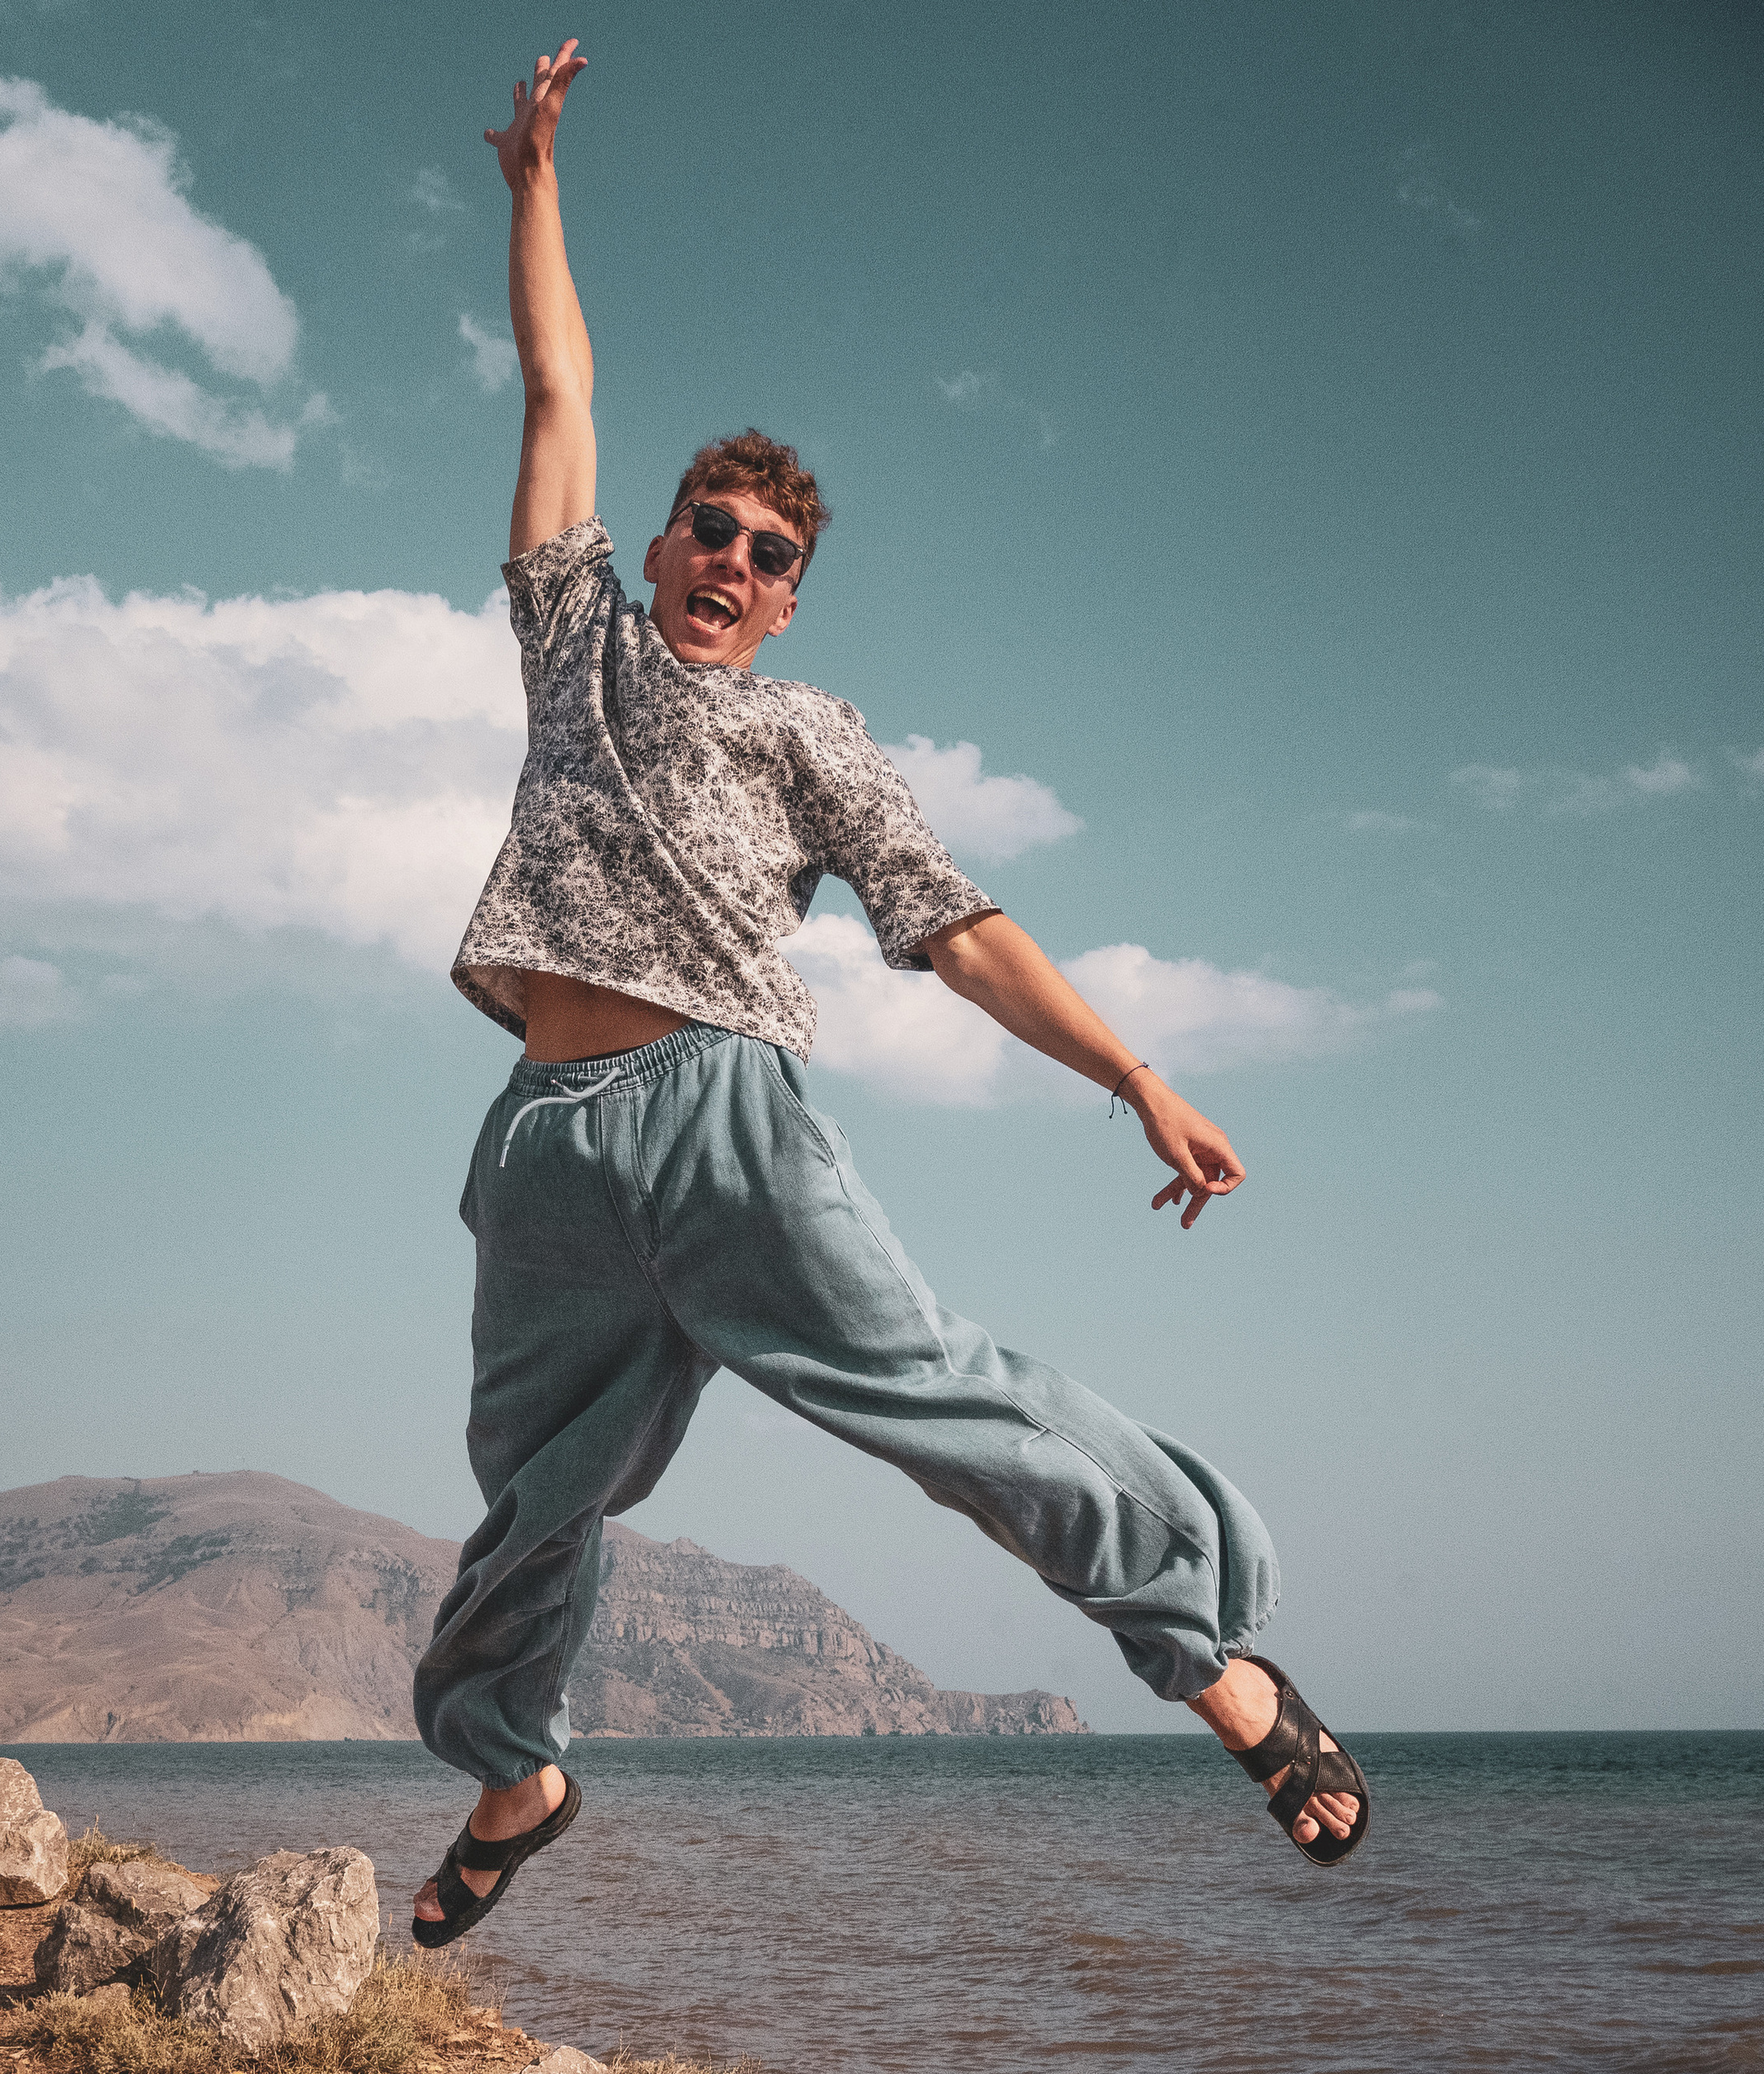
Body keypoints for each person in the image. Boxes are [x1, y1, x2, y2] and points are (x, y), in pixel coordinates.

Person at [412, 40, 1367, 1947]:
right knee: (532, 1495)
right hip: (542, 1143)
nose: (726, 561)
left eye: (765, 556)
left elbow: (958, 926)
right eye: (705, 529)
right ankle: (516, 1768)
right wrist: (529, 181)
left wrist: (1134, 1076)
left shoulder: (810, 737)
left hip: (715, 1111)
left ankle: (1220, 1669)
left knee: (930, 1396)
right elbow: (554, 385)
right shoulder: (572, 652)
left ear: (784, 604)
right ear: (661, 544)